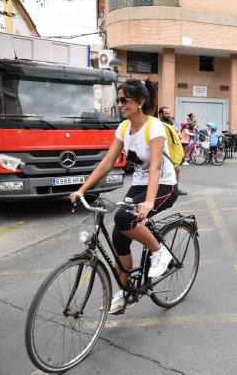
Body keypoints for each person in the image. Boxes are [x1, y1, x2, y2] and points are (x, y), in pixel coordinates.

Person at [70, 78, 178, 314]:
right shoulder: (123, 128)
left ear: (140, 102)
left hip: (164, 186)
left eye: (124, 100)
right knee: (120, 236)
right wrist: (82, 189)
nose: (120, 104)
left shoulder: (154, 127)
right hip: (140, 184)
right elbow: (108, 162)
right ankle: (126, 291)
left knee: (123, 218)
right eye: (118, 100)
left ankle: (161, 253)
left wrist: (149, 201)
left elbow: (156, 168)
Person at [159, 107, 187, 195]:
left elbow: (177, 134)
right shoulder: (159, 124)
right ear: (161, 114)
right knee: (164, 172)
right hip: (164, 152)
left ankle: (175, 189)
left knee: (177, 170)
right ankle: (165, 190)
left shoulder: (171, 123)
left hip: (173, 151)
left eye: (169, 113)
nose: (168, 115)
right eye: (166, 113)